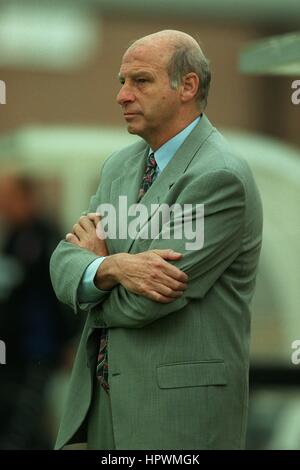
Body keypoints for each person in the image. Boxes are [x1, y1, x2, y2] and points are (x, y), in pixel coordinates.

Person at [50, 30, 263, 450]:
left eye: (140, 81)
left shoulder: (219, 177)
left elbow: (147, 300)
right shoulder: (118, 166)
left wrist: (93, 276)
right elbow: (62, 265)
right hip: (103, 413)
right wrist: (113, 267)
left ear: (188, 86)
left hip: (177, 421)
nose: (122, 96)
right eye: (121, 82)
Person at [0, 173, 81, 449]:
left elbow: (64, 293)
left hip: (39, 349)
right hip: (11, 350)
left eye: (9, 199)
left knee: (22, 421)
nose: (4, 206)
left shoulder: (47, 238)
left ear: (27, 198)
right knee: (14, 417)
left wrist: (71, 340)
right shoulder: (12, 237)